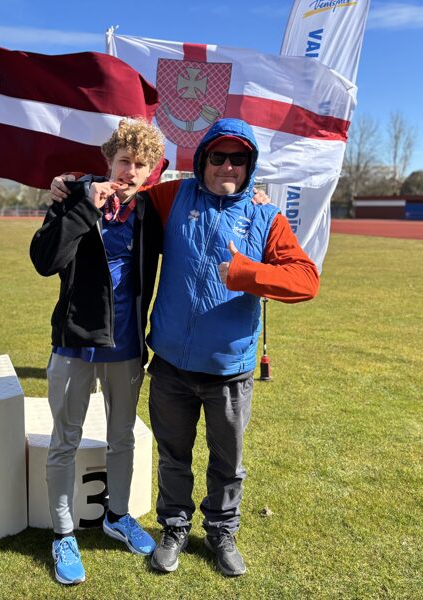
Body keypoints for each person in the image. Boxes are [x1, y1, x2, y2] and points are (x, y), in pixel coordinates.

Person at [50, 117, 319, 578]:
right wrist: (71, 183)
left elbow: (306, 280)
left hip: (229, 367)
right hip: (170, 365)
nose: (227, 166)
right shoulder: (172, 197)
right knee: (173, 457)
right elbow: (121, 183)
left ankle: (221, 532)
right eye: (218, 156)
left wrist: (246, 273)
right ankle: (174, 528)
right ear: (203, 160)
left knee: (227, 463)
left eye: (238, 158)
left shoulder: (266, 215)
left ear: (250, 164)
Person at [29, 119, 165, 585]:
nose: (130, 171)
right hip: (74, 343)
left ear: (150, 171)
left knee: (122, 438)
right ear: (108, 160)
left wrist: (255, 198)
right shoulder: (73, 197)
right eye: (124, 161)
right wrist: (84, 204)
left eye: (140, 165)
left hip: (126, 347)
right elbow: (44, 261)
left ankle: (118, 516)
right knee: (64, 440)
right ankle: (63, 533)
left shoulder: (150, 212)